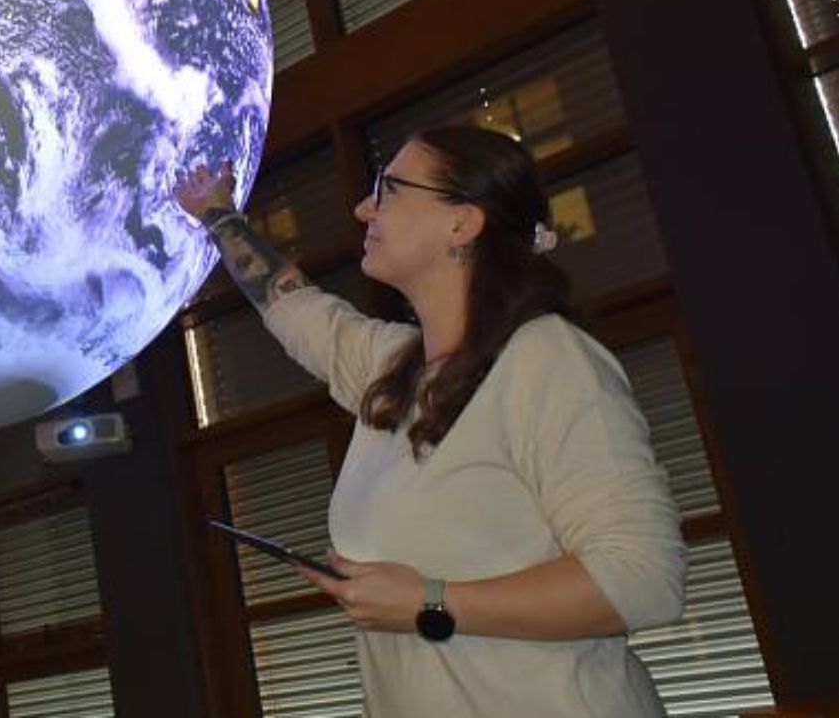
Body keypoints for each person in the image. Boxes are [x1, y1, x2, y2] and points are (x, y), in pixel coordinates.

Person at [174, 125, 685, 717]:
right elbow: (291, 303)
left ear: (461, 224)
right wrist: (218, 216)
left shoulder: (547, 358)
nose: (364, 208)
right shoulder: (392, 367)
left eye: (388, 189)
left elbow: (644, 579)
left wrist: (430, 602)